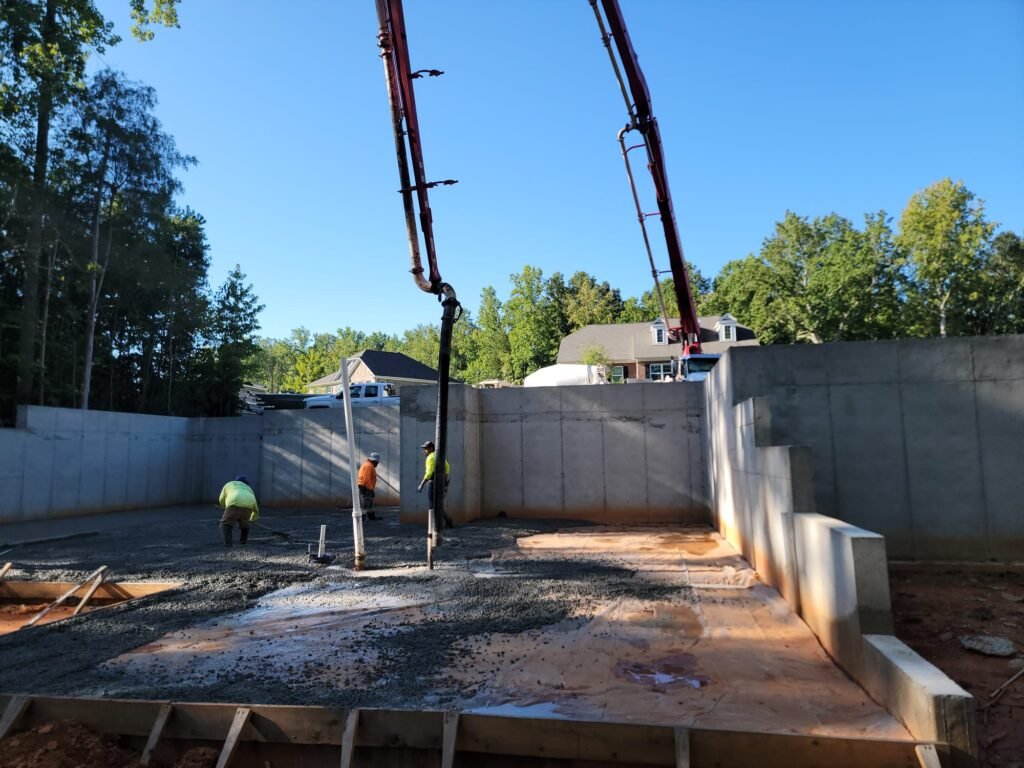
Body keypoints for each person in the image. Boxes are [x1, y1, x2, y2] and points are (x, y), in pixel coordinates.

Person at [417, 440, 452, 529]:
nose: (424, 451)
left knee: (432, 504)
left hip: (433, 482)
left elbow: (429, 473)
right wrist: (444, 480)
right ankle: (447, 520)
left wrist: (421, 484)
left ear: (431, 448)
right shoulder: (439, 456)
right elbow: (447, 468)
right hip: (441, 482)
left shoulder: (430, 458)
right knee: (438, 503)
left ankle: (435, 525)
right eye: (424, 449)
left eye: (426, 449)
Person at [218, 474, 259, 547]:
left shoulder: (229, 484)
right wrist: (252, 518)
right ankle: (243, 542)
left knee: (225, 524)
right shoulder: (248, 487)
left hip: (234, 503)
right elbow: (255, 504)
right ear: (245, 482)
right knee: (245, 524)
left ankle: (228, 544)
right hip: (249, 504)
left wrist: (225, 507)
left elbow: (221, 499)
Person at [357, 452, 381, 520]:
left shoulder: (368, 465)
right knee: (366, 503)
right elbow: (366, 480)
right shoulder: (368, 466)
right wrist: (371, 490)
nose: (377, 464)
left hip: (365, 487)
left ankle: (371, 517)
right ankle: (362, 519)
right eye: (377, 462)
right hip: (365, 487)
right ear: (374, 461)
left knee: (369, 503)